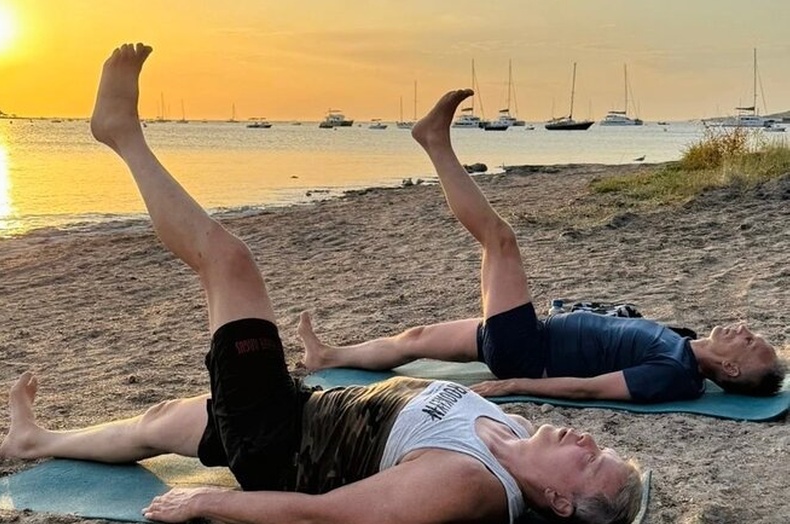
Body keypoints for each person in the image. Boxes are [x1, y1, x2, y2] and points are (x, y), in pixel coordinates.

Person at [0, 43, 644, 524]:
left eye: (590, 462)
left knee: (228, 261)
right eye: (600, 445)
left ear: (558, 501)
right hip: (301, 410)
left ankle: (121, 136)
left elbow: (337, 514)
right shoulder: (506, 430)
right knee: (158, 422)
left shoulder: (470, 484)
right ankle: (34, 442)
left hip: (278, 440)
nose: (587, 439)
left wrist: (210, 505)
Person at [299, 110, 787, 404]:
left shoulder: (675, 375)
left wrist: (513, 386)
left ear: (732, 371)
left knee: (499, 239)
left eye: (749, 343)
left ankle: (434, 141)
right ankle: (328, 355)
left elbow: (591, 390)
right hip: (534, 335)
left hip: (526, 352)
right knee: (416, 339)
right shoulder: (681, 346)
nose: (745, 329)